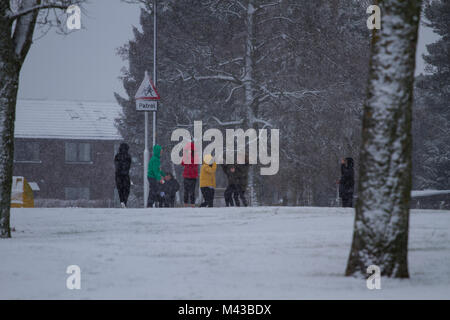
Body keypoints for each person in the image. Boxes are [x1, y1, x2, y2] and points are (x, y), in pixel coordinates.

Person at [181, 142, 199, 207]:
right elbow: (183, 163)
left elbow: (183, 163)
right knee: (191, 191)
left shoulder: (191, 156)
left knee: (187, 191)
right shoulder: (194, 156)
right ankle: (191, 204)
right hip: (191, 176)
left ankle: (187, 204)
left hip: (188, 176)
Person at [114, 143, 131, 208]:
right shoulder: (128, 156)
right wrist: (124, 170)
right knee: (126, 189)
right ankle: (124, 201)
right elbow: (128, 166)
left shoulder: (117, 156)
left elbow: (116, 165)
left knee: (120, 189)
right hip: (125, 175)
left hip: (118, 175)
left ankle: (122, 201)